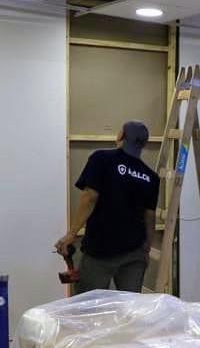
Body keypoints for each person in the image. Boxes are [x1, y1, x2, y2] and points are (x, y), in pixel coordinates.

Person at [55, 121, 160, 293]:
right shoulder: (151, 177)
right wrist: (146, 249)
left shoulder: (101, 159)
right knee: (130, 304)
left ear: (120, 136)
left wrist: (71, 234)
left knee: (90, 304)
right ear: (143, 144)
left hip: (100, 251)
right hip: (134, 253)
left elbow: (90, 197)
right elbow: (150, 216)